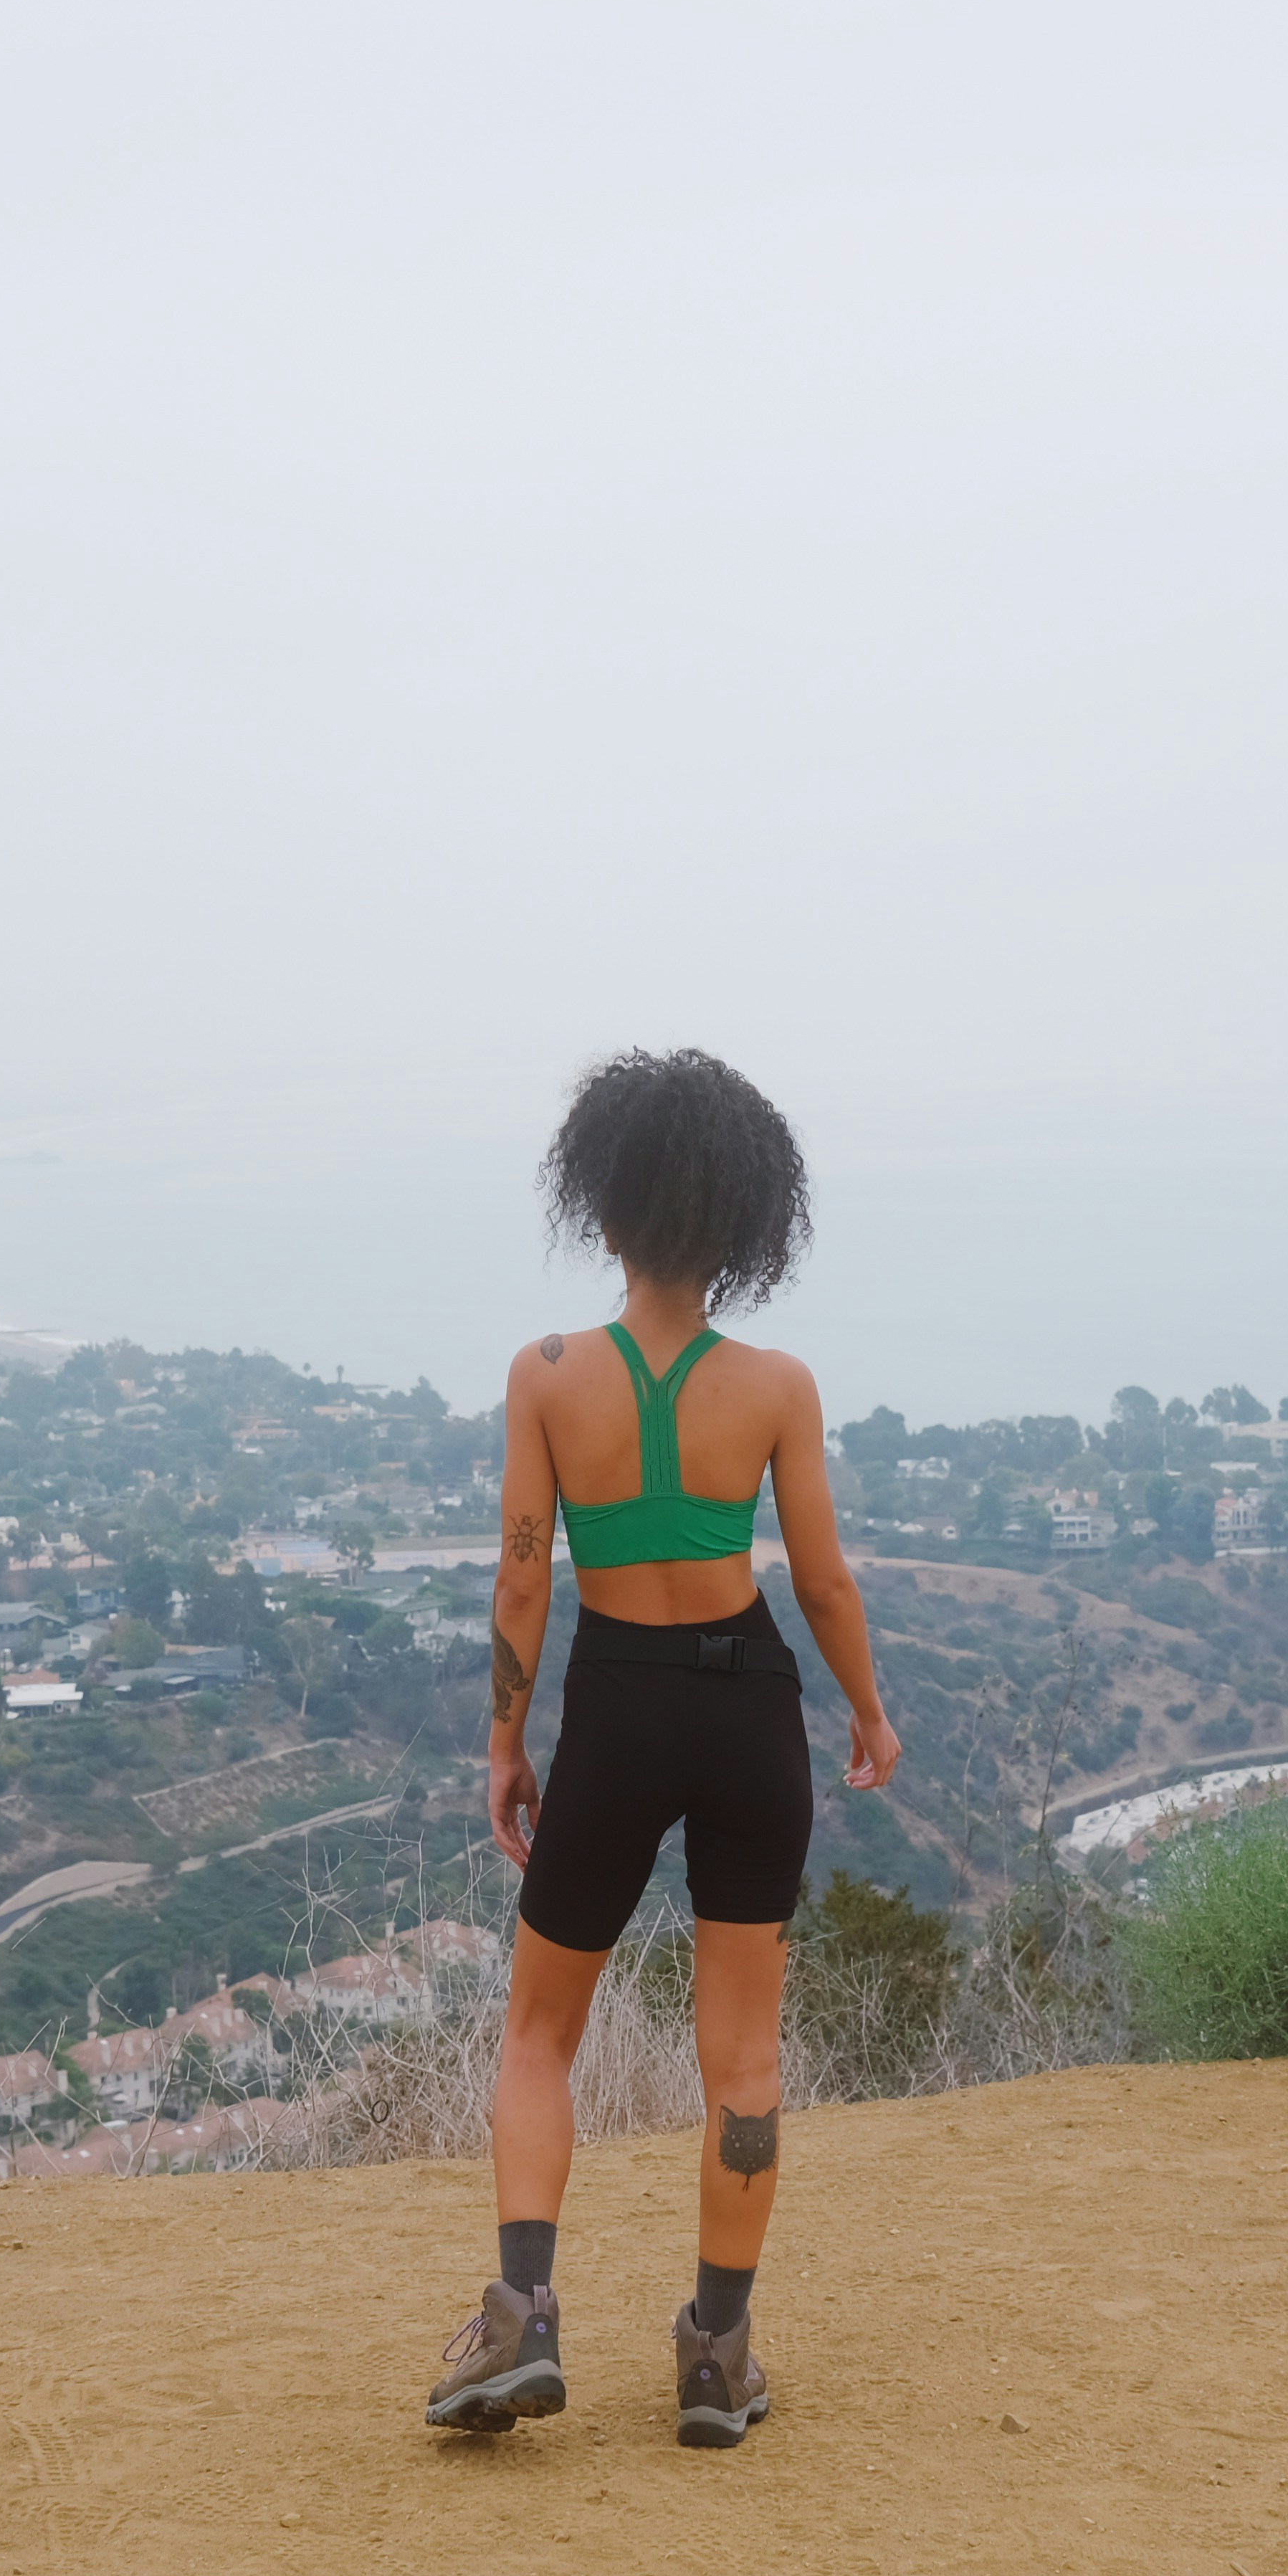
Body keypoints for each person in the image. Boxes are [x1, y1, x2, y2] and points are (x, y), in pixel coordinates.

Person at [424, 1048, 900, 2448]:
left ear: (608, 1207)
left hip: (618, 1706)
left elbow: (523, 1579)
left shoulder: (549, 1376)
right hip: (750, 1706)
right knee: (742, 2055)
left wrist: (503, 1742)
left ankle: (523, 2310)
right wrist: (868, 1710)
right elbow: (821, 1584)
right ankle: (719, 2354)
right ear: (747, 1226)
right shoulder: (776, 1386)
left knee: (535, 2032)